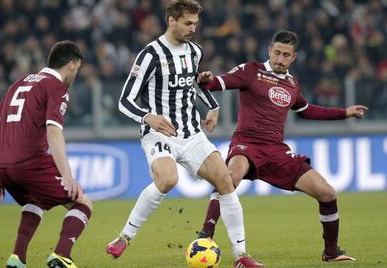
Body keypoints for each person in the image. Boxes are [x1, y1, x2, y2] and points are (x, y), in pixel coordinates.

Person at [106, 1, 263, 267]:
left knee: (225, 181)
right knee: (168, 179)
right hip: (159, 133)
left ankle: (241, 256)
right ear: (171, 21)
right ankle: (124, 237)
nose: (193, 29)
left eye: (195, 24)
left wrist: (212, 106)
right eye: (188, 23)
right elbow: (125, 100)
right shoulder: (150, 55)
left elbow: (192, 85)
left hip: (191, 134)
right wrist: (148, 117)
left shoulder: (195, 51)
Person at [196, 30, 368, 262]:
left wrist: (344, 113)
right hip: (247, 144)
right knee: (230, 177)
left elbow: (306, 110)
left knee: (327, 193)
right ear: (269, 51)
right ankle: (205, 236)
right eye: (276, 53)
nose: (279, 59)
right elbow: (217, 83)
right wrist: (207, 80)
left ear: (293, 57)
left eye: (285, 55)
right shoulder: (251, 71)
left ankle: (331, 251)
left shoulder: (292, 84)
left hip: (277, 151)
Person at [0, 40, 92, 268]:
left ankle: (17, 258)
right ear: (72, 65)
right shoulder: (56, 87)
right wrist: (67, 176)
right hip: (28, 162)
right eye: (78, 68)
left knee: (34, 201)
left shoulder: (18, 82)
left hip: (0, 165)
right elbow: (53, 131)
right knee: (82, 202)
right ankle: (62, 255)